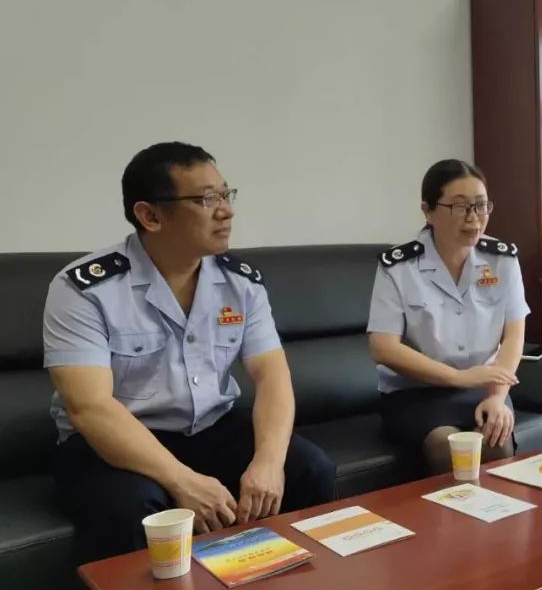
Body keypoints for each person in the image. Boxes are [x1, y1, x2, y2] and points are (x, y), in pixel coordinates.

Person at [45, 142, 336, 563]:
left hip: (209, 428)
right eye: (206, 199)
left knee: (310, 469)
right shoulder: (83, 289)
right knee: (135, 509)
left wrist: (269, 463)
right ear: (150, 215)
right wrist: (181, 480)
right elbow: (90, 408)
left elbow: (272, 375)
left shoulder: (242, 283)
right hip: (110, 443)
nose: (226, 211)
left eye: (226, 194)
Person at [368, 158, 528, 473]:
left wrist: (498, 396)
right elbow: (382, 347)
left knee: (497, 439)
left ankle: (502, 521)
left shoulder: (502, 260)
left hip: (484, 387)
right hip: (414, 393)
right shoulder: (398, 267)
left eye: (481, 206)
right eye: (459, 207)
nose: (473, 219)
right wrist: (458, 377)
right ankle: (456, 523)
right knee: (449, 446)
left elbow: (514, 334)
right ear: (428, 211)